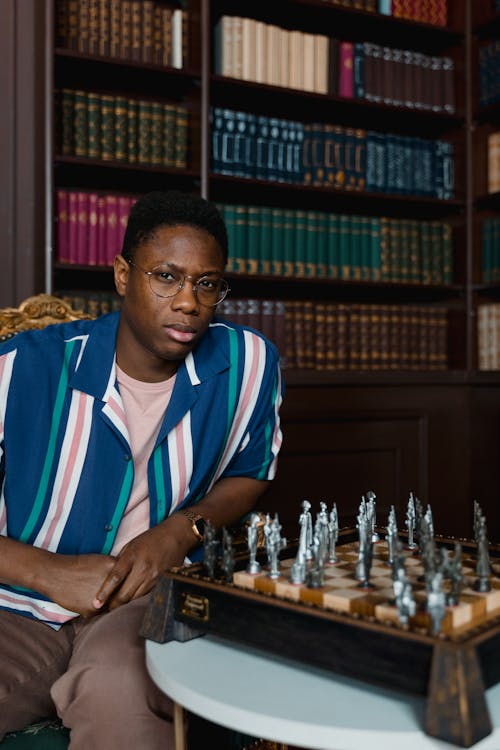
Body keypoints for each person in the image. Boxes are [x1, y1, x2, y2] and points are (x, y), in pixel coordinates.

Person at [0, 190, 283, 747]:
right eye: (167, 278)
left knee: (122, 698)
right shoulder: (23, 367)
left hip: (146, 603)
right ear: (123, 275)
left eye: (208, 284)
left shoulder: (248, 363)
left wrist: (183, 530)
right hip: (17, 602)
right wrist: (46, 571)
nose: (188, 303)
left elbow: (252, 470)